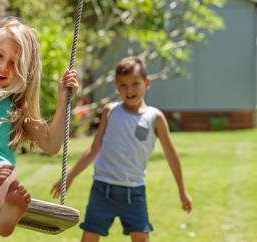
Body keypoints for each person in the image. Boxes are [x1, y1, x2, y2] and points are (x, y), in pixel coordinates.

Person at [51, 56, 193, 242]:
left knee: (141, 238)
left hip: (134, 192)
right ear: (117, 86)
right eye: (123, 85)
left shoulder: (155, 118)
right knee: (89, 238)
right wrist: (69, 176)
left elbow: (172, 156)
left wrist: (182, 191)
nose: (129, 90)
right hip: (103, 189)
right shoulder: (111, 112)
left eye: (135, 84)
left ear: (147, 83)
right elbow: (94, 149)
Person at [0, 17, 79, 237]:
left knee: (7, 185)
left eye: (15, 63)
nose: (4, 67)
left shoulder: (17, 107)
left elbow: (51, 145)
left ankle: (6, 216)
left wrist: (63, 100)